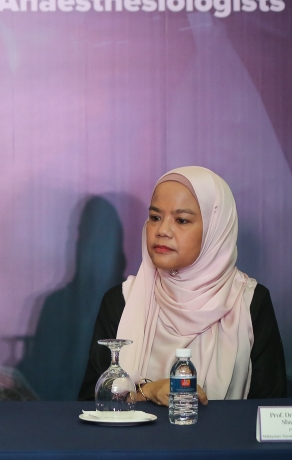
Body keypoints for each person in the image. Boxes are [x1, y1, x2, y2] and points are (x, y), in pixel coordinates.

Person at [79, 166, 286, 403]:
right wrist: (147, 392)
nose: (162, 231)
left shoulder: (249, 302)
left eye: (181, 220)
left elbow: (272, 408)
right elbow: (89, 403)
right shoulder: (123, 300)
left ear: (215, 230)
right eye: (155, 217)